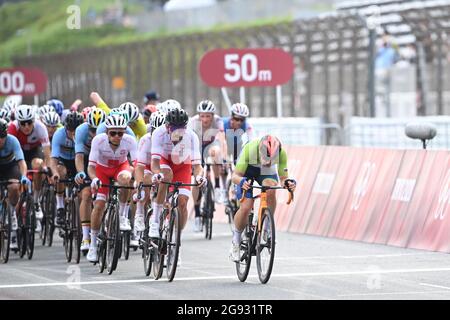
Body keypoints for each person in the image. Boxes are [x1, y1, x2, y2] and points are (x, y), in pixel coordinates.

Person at [229, 135, 296, 262]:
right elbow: (235, 176)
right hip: (247, 171)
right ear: (260, 150)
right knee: (246, 207)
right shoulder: (250, 149)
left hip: (265, 172)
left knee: (271, 190)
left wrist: (288, 183)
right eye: (266, 157)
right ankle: (236, 240)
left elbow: (283, 179)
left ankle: (266, 226)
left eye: (272, 158)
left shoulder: (281, 153)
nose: (269, 161)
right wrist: (242, 182)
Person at [87, 114, 137, 262]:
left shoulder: (129, 141)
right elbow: (91, 167)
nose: (116, 137)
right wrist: (94, 178)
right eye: (113, 133)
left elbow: (136, 164)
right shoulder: (98, 140)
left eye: (120, 133)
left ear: (125, 132)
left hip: (120, 168)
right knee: (99, 205)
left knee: (126, 179)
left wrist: (136, 180)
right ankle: (93, 244)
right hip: (101, 171)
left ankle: (122, 216)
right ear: (107, 131)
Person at [149, 108, 205, 239]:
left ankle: (176, 238)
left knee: (182, 203)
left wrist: (198, 177)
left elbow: (197, 166)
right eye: (174, 129)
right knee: (166, 176)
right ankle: (155, 221)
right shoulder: (158, 133)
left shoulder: (192, 136)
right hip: (165, 162)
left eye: (181, 129)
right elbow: (155, 163)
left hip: (183, 165)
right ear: (167, 127)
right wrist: (158, 174)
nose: (177, 133)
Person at [8, 104, 51, 223]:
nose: (26, 126)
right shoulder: (12, 128)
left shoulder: (40, 127)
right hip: (18, 153)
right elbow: (10, 151)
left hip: (34, 151)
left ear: (33, 120)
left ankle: (36, 202)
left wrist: (47, 168)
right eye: (23, 123)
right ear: (18, 122)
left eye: (29, 122)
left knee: (38, 165)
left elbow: (47, 153)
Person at [188, 100, 226, 231]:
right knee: (197, 180)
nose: (204, 119)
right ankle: (198, 215)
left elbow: (221, 139)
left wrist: (223, 158)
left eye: (208, 116)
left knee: (216, 152)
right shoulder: (193, 122)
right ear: (198, 115)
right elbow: (188, 143)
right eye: (202, 116)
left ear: (213, 116)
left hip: (211, 144)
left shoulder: (218, 121)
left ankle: (217, 187)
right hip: (197, 147)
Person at [74, 108, 107, 252]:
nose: (95, 133)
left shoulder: (110, 131)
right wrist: (81, 173)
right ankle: (86, 237)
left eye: (98, 130)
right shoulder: (81, 131)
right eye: (92, 130)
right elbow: (79, 156)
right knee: (86, 194)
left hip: (105, 161)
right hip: (89, 161)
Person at [132, 111, 166, 246]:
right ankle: (140, 213)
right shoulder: (146, 139)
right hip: (145, 166)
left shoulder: (169, 140)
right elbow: (139, 167)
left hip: (161, 166)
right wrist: (140, 186)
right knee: (146, 183)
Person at [0, 119, 31, 250]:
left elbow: (21, 162)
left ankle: (12, 213)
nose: (0, 141)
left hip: (10, 167)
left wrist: (24, 176)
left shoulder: (12, 140)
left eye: (2, 137)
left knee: (14, 187)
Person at [49, 111, 84, 227]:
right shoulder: (59, 134)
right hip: (62, 160)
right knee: (60, 171)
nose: (73, 133)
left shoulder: (83, 135)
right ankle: (60, 206)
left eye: (76, 130)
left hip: (76, 162)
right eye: (70, 130)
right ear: (65, 128)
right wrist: (54, 173)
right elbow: (53, 158)